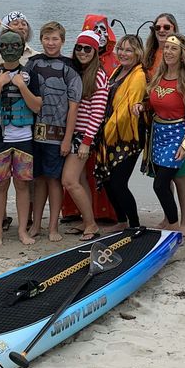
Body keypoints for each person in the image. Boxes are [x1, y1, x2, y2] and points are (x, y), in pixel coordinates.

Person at [143, 13, 185, 233]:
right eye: (157, 27)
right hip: (157, 131)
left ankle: (182, 222)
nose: (161, 30)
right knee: (164, 179)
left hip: (178, 132)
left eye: (166, 26)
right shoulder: (155, 63)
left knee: (174, 178)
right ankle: (169, 218)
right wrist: (142, 106)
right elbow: (153, 99)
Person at [0, 29, 43, 246]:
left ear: (22, 47)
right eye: (4, 46)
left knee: (23, 185)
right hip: (0, 138)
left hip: (24, 138)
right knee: (0, 185)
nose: (9, 50)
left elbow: (36, 106)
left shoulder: (30, 75)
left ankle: (22, 231)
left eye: (14, 45)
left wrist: (22, 86)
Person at [27, 21, 81, 242]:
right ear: (40, 40)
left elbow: (74, 105)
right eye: (47, 39)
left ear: (62, 41)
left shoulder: (70, 67)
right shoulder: (32, 63)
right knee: (39, 179)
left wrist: (68, 138)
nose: (51, 43)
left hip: (58, 134)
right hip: (34, 132)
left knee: (54, 181)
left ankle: (53, 227)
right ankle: (36, 225)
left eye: (55, 39)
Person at [96, 34, 148, 231]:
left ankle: (134, 224)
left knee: (118, 182)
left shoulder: (138, 75)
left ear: (138, 53)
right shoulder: (118, 70)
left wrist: (105, 131)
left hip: (127, 137)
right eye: (121, 49)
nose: (123, 53)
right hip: (110, 134)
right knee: (109, 181)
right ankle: (121, 221)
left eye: (129, 50)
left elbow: (127, 109)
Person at [64, 30, 109, 241]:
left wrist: (86, 142)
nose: (82, 52)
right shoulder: (77, 72)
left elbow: (97, 114)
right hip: (74, 133)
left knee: (70, 181)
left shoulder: (98, 76)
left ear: (96, 51)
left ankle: (91, 224)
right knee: (80, 179)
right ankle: (86, 219)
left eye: (87, 48)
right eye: (79, 47)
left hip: (83, 135)